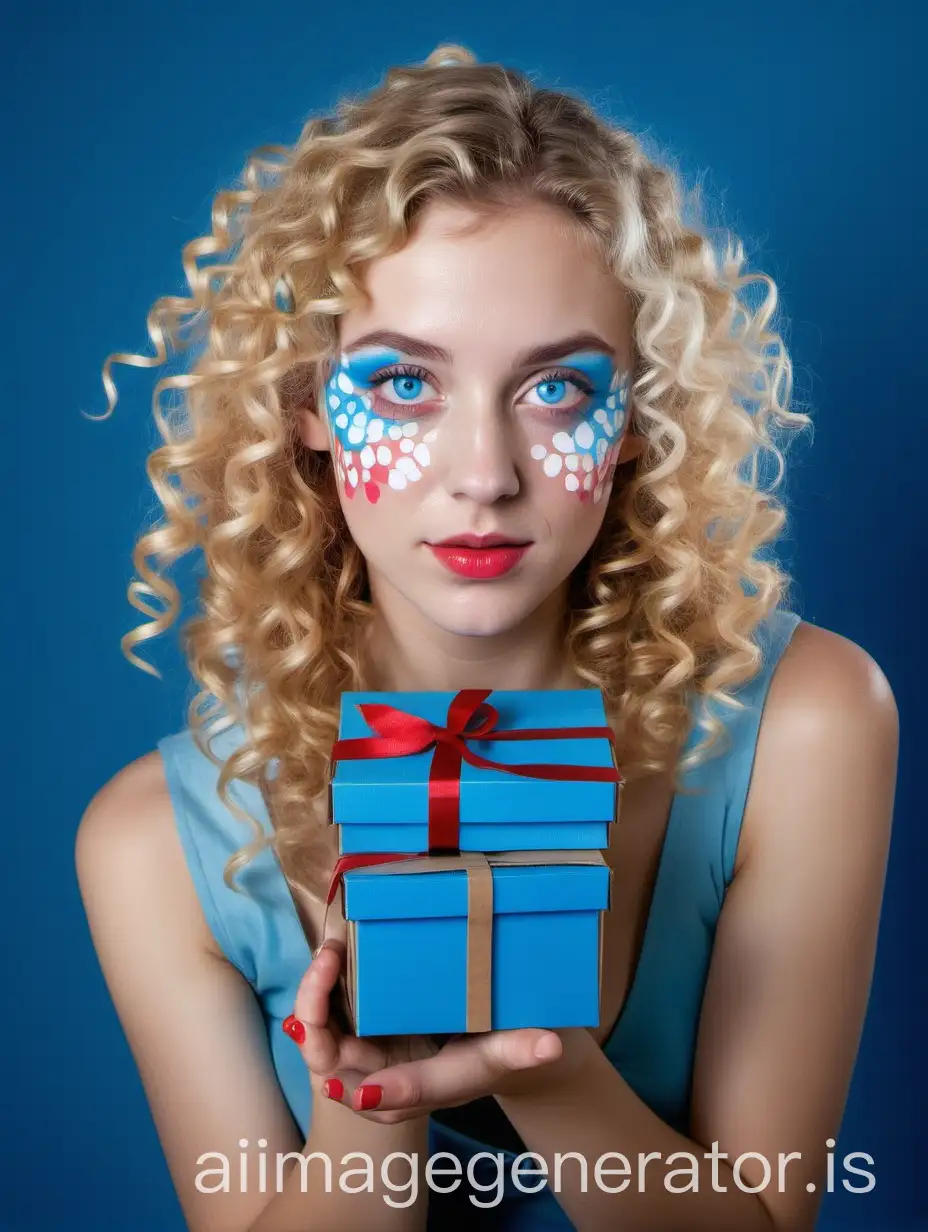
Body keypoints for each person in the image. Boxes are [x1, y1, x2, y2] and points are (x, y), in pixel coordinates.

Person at [75, 44, 898, 1232]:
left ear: (634, 417)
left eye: (556, 388)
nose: (484, 474)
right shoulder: (153, 844)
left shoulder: (809, 721)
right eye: (403, 385)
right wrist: (375, 1096)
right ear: (306, 403)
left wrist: (540, 1061)